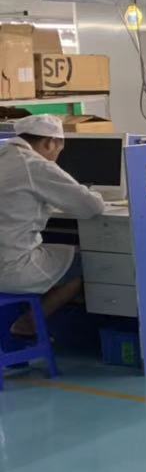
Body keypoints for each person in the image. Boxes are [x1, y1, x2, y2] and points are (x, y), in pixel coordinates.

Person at [0, 114, 106, 336]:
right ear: (50, 142)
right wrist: (96, 193)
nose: (57, 156)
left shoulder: (5, 155)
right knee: (88, 261)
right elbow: (91, 206)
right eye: (59, 149)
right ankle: (29, 324)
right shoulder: (35, 164)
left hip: (7, 257)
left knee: (59, 250)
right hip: (11, 268)